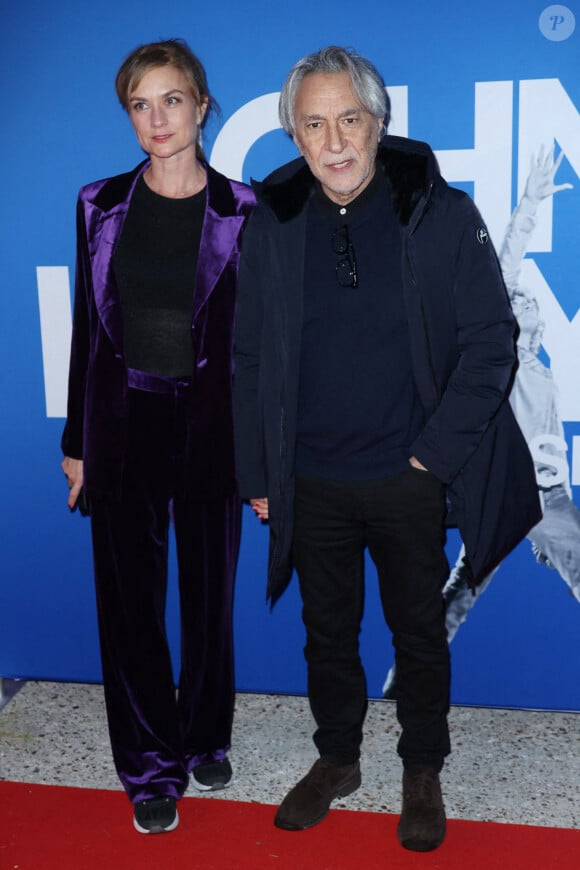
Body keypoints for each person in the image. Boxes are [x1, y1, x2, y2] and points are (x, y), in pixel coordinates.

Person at [233, 45, 540, 853]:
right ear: (295, 136)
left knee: (418, 633)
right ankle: (337, 759)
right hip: (312, 477)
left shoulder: (438, 210)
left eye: (349, 120)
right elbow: (250, 356)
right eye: (314, 124)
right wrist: (258, 469)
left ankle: (422, 767)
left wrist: (432, 456)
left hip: (408, 476)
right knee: (325, 632)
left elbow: (491, 341)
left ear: (378, 122)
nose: (334, 141)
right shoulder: (272, 222)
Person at [61, 39, 255, 834]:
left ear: (202, 106)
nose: (155, 118)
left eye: (170, 99)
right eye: (139, 104)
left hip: (214, 427)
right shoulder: (98, 204)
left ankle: (205, 732)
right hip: (122, 421)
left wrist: (267, 455)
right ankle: (148, 765)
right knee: (130, 607)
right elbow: (86, 328)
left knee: (210, 600)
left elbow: (263, 344)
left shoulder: (245, 211)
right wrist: (77, 440)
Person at [383, 148, 578, 697]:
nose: (529, 313)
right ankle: (402, 686)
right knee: (457, 595)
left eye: (533, 308)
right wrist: (532, 200)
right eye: (518, 308)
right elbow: (507, 262)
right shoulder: (506, 358)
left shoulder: (543, 373)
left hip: (548, 497)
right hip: (501, 491)